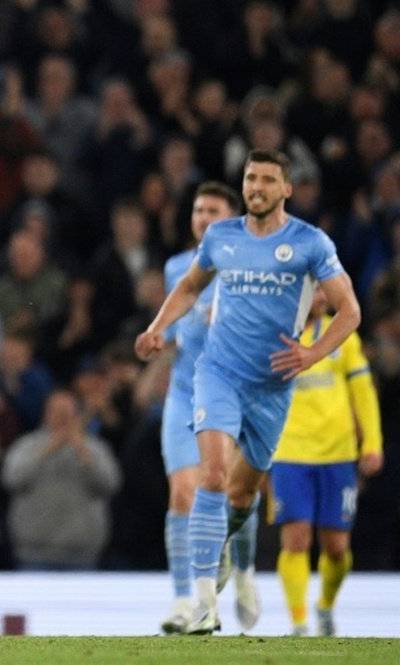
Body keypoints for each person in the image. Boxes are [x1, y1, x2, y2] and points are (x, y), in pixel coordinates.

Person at [135, 149, 362, 635]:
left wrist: (312, 353)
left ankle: (221, 559)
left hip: (273, 387)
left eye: (267, 180)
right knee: (211, 475)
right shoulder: (222, 237)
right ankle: (200, 604)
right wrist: (158, 328)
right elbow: (192, 287)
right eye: (250, 178)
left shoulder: (309, 242)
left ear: (286, 189)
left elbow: (350, 311)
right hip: (218, 374)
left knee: (242, 496)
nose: (256, 187)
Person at [157, 181, 260, 634]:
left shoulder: (253, 267)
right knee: (184, 492)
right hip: (184, 392)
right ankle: (186, 602)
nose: (201, 217)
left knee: (232, 492)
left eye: (212, 210)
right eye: (197, 209)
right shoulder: (178, 267)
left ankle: (244, 571)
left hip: (234, 391)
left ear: (232, 218)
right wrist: (158, 333)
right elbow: (180, 329)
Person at [271, 285, 383, 636]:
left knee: (336, 548)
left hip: (337, 454)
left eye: (323, 290)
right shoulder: (274, 336)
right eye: (314, 290)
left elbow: (362, 391)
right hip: (289, 452)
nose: (322, 296)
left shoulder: (342, 336)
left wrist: (373, 443)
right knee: (297, 539)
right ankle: (299, 621)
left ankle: (325, 607)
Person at [1, 389, 121, 570]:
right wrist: (47, 450)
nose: (62, 418)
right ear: (46, 414)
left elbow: (110, 484)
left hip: (82, 554)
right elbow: (11, 479)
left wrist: (83, 453)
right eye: (56, 411)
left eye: (67, 412)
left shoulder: (95, 448)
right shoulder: (27, 445)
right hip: (34, 553)